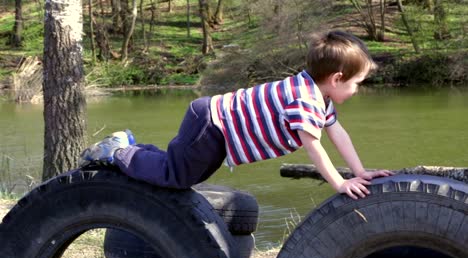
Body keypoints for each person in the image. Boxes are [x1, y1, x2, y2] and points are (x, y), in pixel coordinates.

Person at [80, 30, 393, 200]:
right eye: (356, 84)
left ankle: (136, 150)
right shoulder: (305, 100)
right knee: (177, 177)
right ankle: (118, 151)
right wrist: (340, 183)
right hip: (211, 123)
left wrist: (360, 171)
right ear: (337, 79)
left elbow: (338, 133)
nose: (357, 90)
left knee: (187, 174)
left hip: (217, 125)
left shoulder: (318, 96)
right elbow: (316, 147)